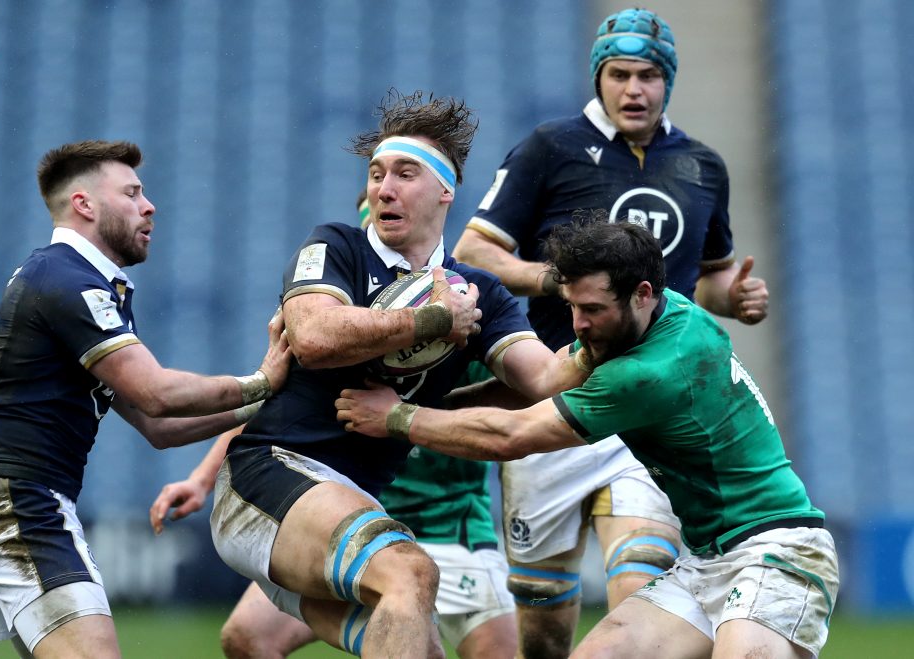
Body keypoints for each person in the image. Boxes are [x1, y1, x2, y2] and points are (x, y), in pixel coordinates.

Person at [338, 220, 838, 659]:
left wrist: (398, 417)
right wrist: (437, 402)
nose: (578, 325)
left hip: (780, 552)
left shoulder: (649, 372)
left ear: (642, 292)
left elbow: (513, 436)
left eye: (592, 309)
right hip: (707, 560)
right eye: (572, 307)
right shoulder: (664, 314)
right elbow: (550, 378)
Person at [205, 90, 578, 658]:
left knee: (416, 643)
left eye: (406, 173)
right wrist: (431, 319)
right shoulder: (336, 246)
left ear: (446, 191)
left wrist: (619, 321)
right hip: (269, 474)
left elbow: (547, 381)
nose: (385, 187)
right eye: (378, 174)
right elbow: (313, 335)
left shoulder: (482, 293)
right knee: (409, 572)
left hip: (351, 497)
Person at [451, 8, 769, 656]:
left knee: (642, 579)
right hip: (554, 394)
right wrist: (560, 283)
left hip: (645, 407)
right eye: (619, 73)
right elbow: (475, 251)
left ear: (667, 81)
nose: (633, 89)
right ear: (599, 77)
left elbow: (699, 279)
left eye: (648, 75)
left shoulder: (703, 166)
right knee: (541, 628)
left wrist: (728, 296)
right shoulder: (551, 147)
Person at [0, 140, 292, 659]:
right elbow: (156, 394)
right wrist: (263, 381)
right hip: (15, 503)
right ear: (85, 204)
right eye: (131, 193)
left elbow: (161, 428)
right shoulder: (68, 280)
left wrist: (261, 405)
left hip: (14, 500)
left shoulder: (80, 283)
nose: (148, 206)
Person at [148, 199, 516, 659]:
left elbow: (513, 413)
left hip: (448, 525)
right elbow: (274, 405)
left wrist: (401, 417)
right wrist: (202, 479)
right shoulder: (340, 319)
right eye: (370, 226)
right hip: (334, 514)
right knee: (247, 635)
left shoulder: (463, 312)